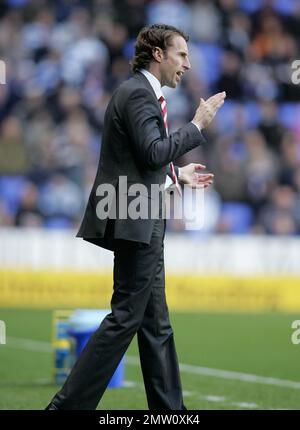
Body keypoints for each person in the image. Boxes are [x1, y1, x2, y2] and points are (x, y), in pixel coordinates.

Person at [46, 23, 225, 410]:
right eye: (182, 55)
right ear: (158, 54)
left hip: (140, 214)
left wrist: (178, 175)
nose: (188, 65)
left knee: (154, 324)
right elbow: (151, 154)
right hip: (134, 217)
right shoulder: (139, 95)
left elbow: (143, 161)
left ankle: (170, 412)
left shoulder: (141, 94)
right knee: (126, 318)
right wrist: (197, 125)